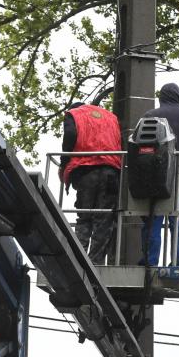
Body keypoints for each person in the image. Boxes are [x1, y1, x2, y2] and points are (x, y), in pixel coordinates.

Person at [140, 83, 179, 268]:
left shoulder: (150, 115)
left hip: (156, 176)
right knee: (178, 219)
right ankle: (178, 264)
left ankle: (150, 262)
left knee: (154, 219)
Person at [60, 97, 123, 263]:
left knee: (84, 217)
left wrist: (64, 163)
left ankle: (78, 260)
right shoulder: (111, 117)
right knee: (104, 219)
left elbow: (70, 135)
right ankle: (95, 261)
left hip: (86, 171)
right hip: (111, 171)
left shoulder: (74, 114)